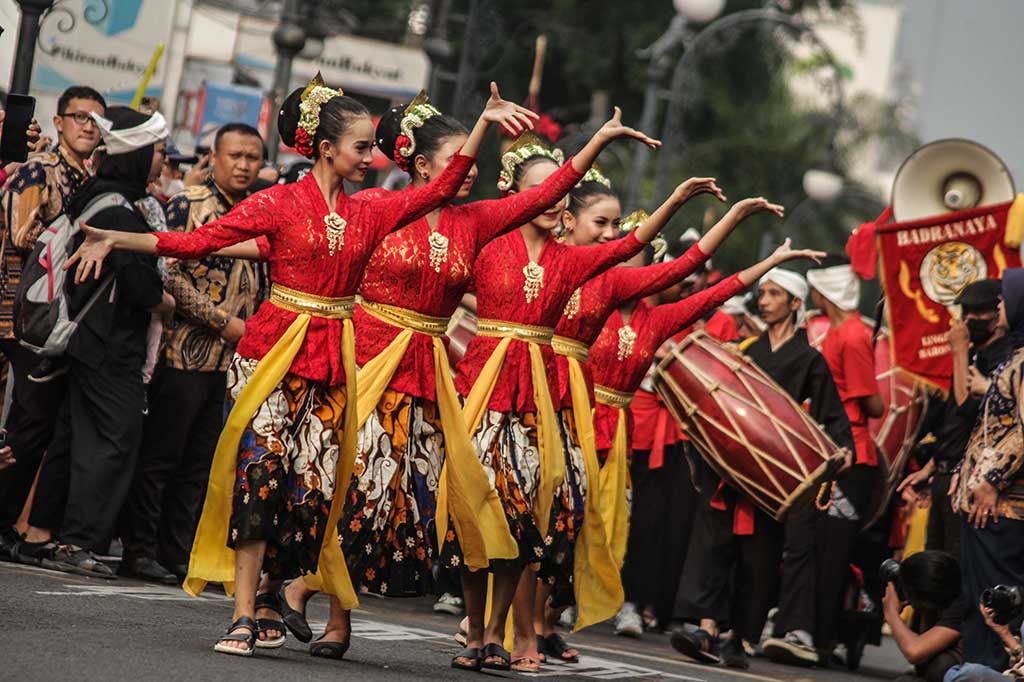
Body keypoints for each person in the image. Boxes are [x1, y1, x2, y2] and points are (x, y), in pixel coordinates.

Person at [65, 76, 531, 657]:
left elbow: (450, 185)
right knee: (259, 479)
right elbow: (201, 241)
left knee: (309, 494)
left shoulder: (374, 212)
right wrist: (117, 239)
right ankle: (240, 614)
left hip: (335, 360)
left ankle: (271, 598)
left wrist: (487, 124)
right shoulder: (281, 201)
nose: (372, 156)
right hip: (271, 352)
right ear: (327, 147)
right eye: (362, 147)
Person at [280, 94, 650, 660]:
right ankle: (327, 613)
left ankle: (463, 627)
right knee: (359, 493)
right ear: (424, 165)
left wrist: (597, 143)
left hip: (430, 382)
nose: (470, 169)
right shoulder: (376, 207)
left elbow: (545, 197)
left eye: (475, 160)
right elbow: (308, 258)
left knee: (408, 506)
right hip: (368, 369)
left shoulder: (473, 224)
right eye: (459, 158)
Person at [448, 118, 663, 673]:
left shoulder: (573, 263)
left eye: (562, 195)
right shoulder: (483, 240)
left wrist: (688, 201)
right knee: (471, 515)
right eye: (543, 192)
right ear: (514, 196)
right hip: (480, 392)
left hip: (544, 404)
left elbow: (646, 251)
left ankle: (508, 633)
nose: (553, 201)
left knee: (525, 524)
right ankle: (477, 631)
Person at [546, 179, 781, 659]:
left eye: (643, 255)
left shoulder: (654, 319)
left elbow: (708, 292)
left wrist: (761, 251)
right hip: (569, 419)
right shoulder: (589, 296)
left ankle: (551, 622)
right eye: (613, 239)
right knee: (554, 524)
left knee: (599, 531)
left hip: (620, 434)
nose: (634, 259)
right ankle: (513, 619)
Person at [15, 106, 175, 576]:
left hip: (85, 340)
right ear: (135, 155)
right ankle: (78, 541)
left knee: (71, 437)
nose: (160, 163)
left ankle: (41, 535)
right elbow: (144, 291)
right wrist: (167, 300)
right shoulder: (119, 212)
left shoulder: (96, 194)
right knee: (112, 441)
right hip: (108, 345)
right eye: (155, 153)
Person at [672, 268, 854, 669]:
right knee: (716, 547)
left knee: (758, 559)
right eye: (762, 294)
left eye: (773, 294)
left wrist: (843, 450)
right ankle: (707, 629)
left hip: (774, 475)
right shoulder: (747, 350)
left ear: (794, 302)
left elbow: (833, 417)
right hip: (734, 466)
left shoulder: (810, 359)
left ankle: (740, 636)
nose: (764, 300)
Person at [119, 123, 267, 585]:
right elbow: (170, 274)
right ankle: (139, 549)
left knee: (202, 464)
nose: (244, 165)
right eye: (235, 156)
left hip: (233, 363)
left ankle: (177, 551)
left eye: (252, 158)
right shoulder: (188, 203)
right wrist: (223, 322)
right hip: (185, 353)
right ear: (215, 157)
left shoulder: (260, 207)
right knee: (163, 455)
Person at [0, 86, 106, 558]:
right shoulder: (38, 170)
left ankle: (19, 527)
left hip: (67, 320)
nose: (87, 125)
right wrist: (78, 235)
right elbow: (19, 235)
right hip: (24, 316)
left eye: (95, 119)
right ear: (59, 122)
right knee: (27, 423)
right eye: (78, 116)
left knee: (46, 426)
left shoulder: (98, 178)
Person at [764, 255, 884, 666]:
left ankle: (817, 634)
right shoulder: (842, 334)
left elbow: (875, 404)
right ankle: (804, 629)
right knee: (811, 545)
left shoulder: (849, 337)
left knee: (830, 551)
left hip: (851, 456)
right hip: (829, 453)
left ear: (821, 291)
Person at [899, 279, 1012, 557]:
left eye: (975, 313)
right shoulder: (975, 353)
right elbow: (953, 422)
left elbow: (967, 410)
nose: (966, 321)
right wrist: (930, 468)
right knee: (936, 565)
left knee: (957, 566)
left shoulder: (1005, 358)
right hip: (945, 475)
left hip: (971, 482)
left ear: (997, 315)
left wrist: (959, 352)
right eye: (964, 314)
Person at [953, 268, 1024, 672]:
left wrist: (993, 480)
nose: (999, 306)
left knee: (993, 602)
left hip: (1002, 505)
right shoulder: (1017, 356)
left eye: (1004, 299)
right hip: (986, 502)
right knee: (978, 598)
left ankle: (989, 673)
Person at [882, 551, 966, 682]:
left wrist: (891, 612)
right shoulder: (945, 597)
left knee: (940, 666)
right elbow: (923, 648)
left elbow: (915, 651)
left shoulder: (962, 603)